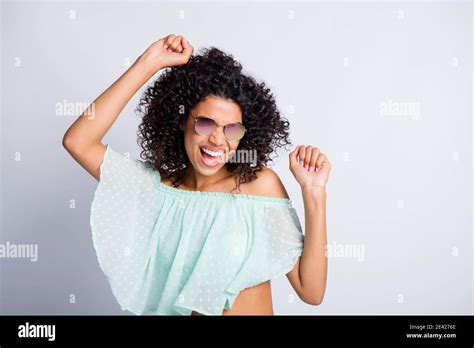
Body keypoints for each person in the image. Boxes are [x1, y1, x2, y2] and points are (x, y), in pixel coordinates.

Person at [63, 34, 331, 316]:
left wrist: (315, 194)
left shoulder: (259, 187)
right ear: (181, 120)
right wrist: (148, 63)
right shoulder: (156, 192)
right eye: (205, 123)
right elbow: (78, 142)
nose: (218, 140)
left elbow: (311, 292)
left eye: (232, 129)